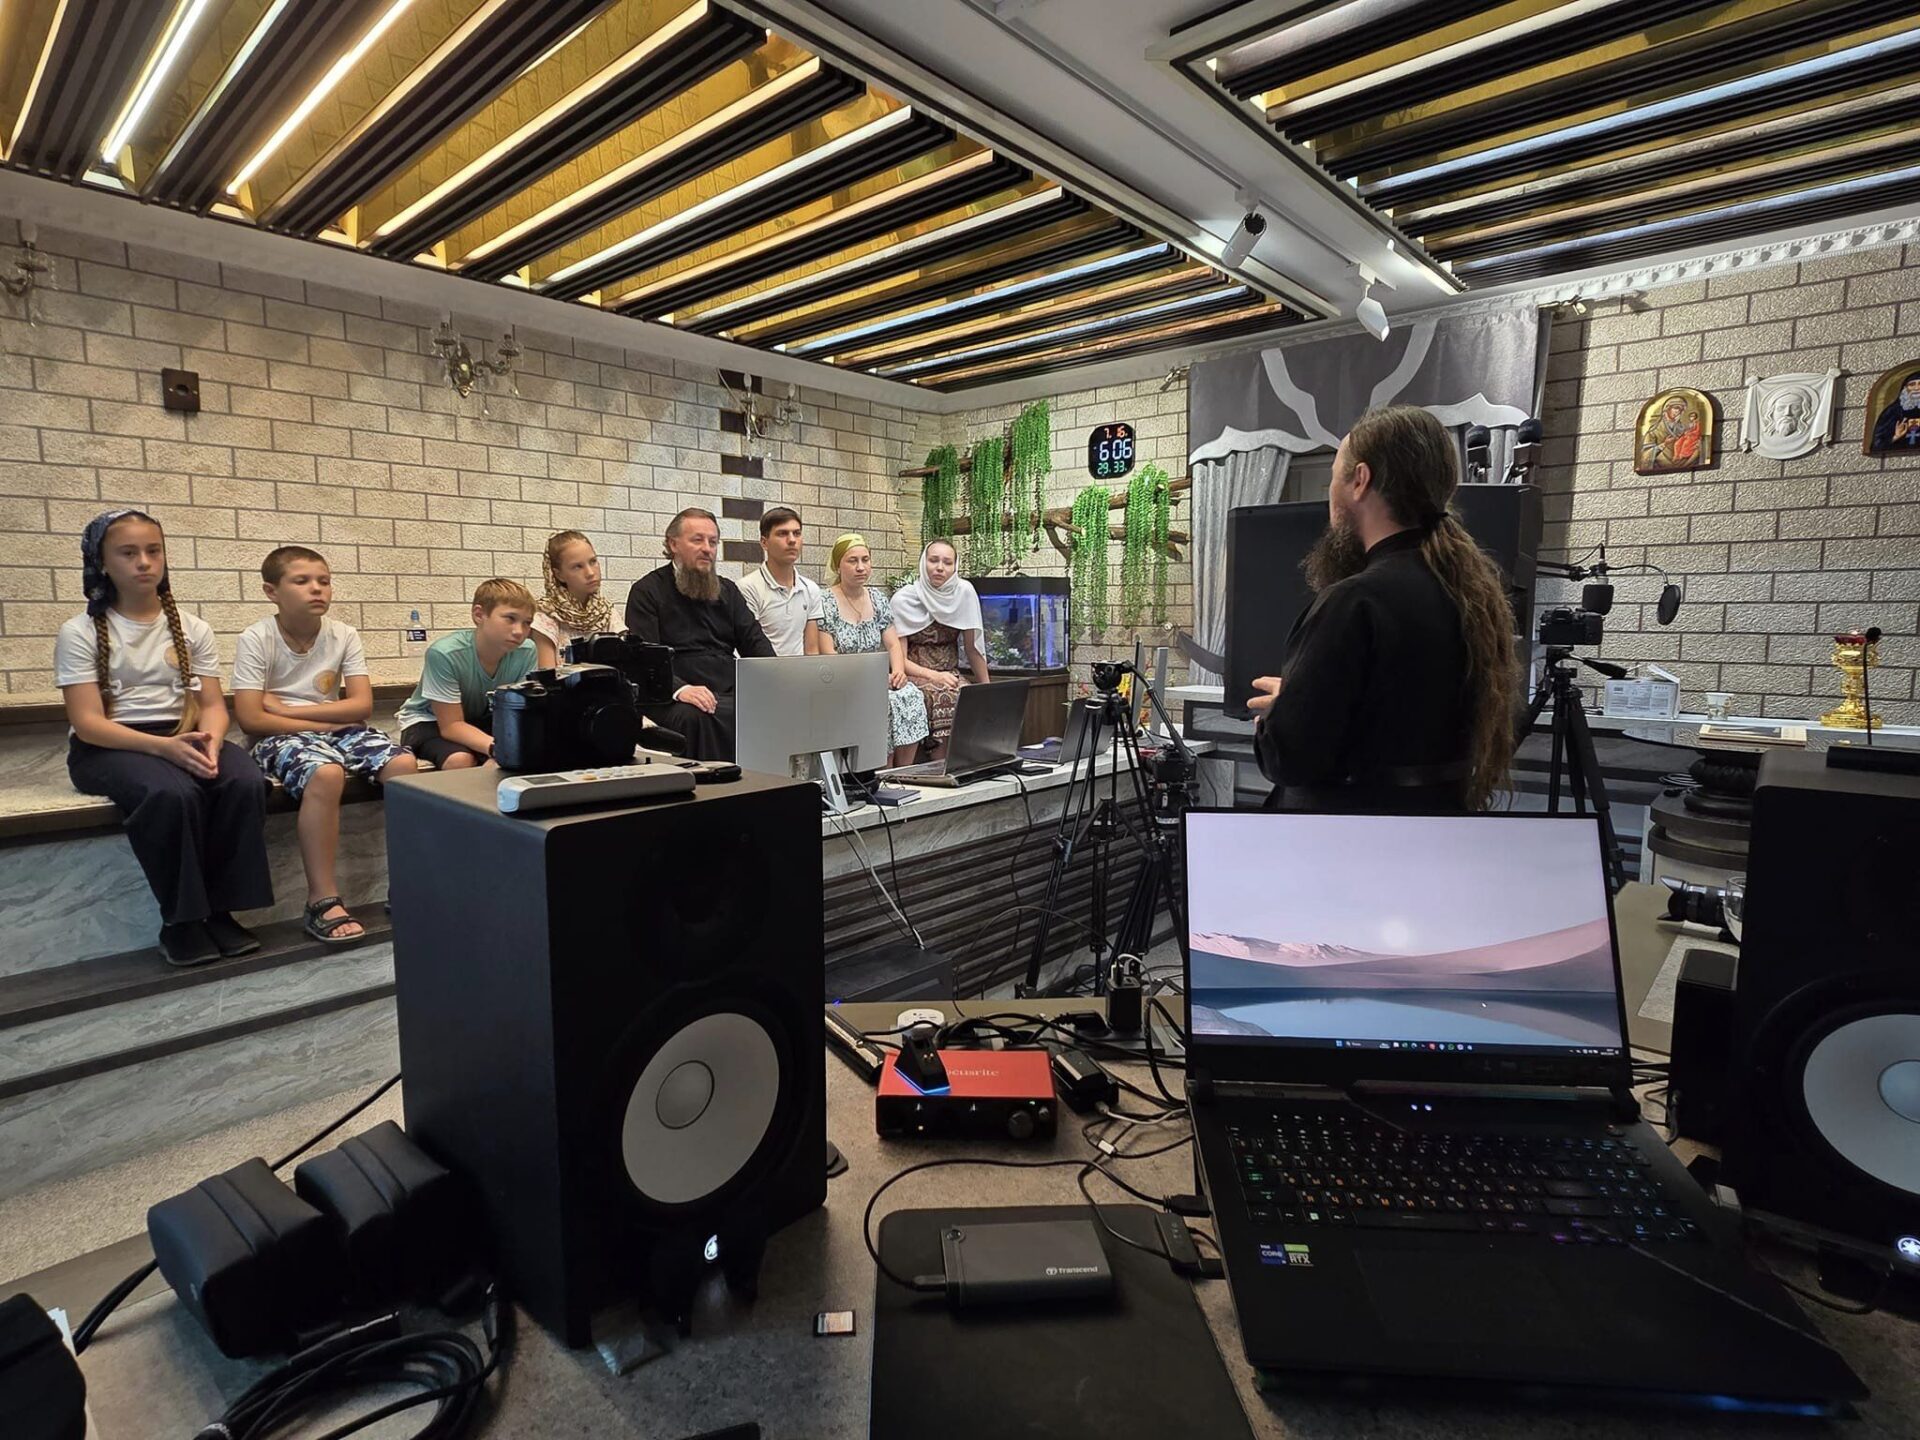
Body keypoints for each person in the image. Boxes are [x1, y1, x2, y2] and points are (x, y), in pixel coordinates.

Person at [1246, 404, 1517, 814]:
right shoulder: (1469, 595)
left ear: (1360, 480)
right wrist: (1305, 698)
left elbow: (1291, 759)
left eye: (1333, 477)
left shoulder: (1355, 601)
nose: (1330, 494)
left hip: (1352, 836)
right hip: (1440, 827)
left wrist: (1285, 711)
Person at [55, 510, 273, 968]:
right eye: (128, 553)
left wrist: (211, 740)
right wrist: (163, 749)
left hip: (184, 733)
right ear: (102, 562)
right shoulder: (79, 632)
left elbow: (213, 705)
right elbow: (88, 722)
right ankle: (181, 922)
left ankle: (221, 912)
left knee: (244, 780)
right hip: (109, 745)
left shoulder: (194, 628)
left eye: (153, 550)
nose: (144, 562)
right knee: (170, 793)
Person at [232, 546, 417, 945]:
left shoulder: (343, 634)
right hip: (276, 737)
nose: (317, 589)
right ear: (271, 591)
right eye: (302, 581)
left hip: (331, 729)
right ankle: (321, 899)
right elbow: (251, 718)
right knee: (325, 773)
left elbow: (362, 706)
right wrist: (327, 718)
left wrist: (287, 708)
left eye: (324, 581)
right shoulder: (257, 638)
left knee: (404, 765)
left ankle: (405, 883)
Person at [623, 507, 774, 760]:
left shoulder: (728, 590)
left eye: (713, 542)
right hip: (673, 694)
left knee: (771, 706)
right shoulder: (647, 591)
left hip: (727, 688)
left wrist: (779, 679)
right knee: (697, 716)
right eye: (697, 540)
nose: (707, 549)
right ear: (673, 544)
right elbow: (643, 658)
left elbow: (755, 642)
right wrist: (681, 689)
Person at [393, 578, 539, 769]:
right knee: (460, 759)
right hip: (429, 722)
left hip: (481, 719)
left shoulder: (527, 651)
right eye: (510, 618)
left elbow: (519, 714)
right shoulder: (445, 653)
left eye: (527, 623)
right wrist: (499, 750)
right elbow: (451, 726)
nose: (519, 631)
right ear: (479, 615)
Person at [813, 534, 931, 768]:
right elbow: (828, 655)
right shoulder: (825, 601)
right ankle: (881, 771)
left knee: (910, 695)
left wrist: (898, 671)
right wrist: (869, 679)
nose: (860, 567)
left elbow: (893, 644)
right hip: (842, 681)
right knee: (881, 703)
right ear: (838, 565)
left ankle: (904, 771)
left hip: (877, 679)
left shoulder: (877, 598)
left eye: (865, 560)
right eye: (852, 561)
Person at [891, 538, 990, 759]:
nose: (939, 567)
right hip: (914, 674)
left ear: (955, 567)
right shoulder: (904, 599)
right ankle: (939, 767)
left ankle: (963, 766)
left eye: (947, 562)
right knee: (943, 694)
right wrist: (934, 676)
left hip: (950, 674)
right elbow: (899, 659)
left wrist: (987, 689)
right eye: (933, 560)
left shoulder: (964, 593)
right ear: (923, 562)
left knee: (968, 695)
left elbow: (973, 649)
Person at [737, 507, 823, 658]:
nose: (792, 540)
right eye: (782, 533)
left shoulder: (811, 589)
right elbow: (749, 649)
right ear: (764, 543)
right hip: (762, 670)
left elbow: (812, 651)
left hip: (800, 671)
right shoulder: (747, 588)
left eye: (797, 533)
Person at [531, 529, 613, 667]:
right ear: (559, 575)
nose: (590, 573)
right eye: (577, 567)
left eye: (593, 561)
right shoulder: (545, 616)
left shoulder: (606, 612)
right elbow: (547, 675)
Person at [1870, 370, 1920, 451]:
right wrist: (1895, 437)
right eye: (1912, 384)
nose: (1917, 388)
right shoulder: (1892, 411)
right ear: (1905, 388)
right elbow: (1877, 444)